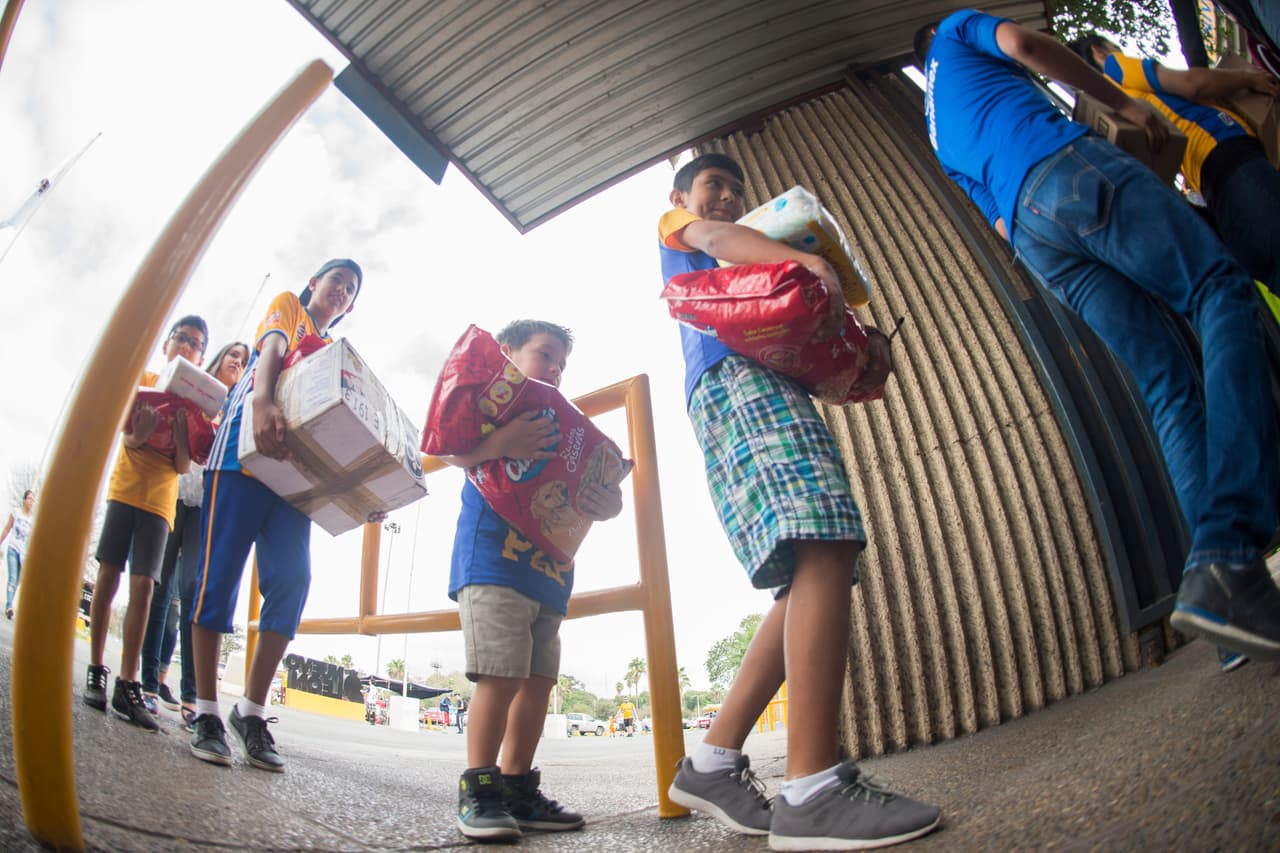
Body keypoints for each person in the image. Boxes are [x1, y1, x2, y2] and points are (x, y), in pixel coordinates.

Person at [916, 12, 1280, 661]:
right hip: (1064, 166)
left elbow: (999, 225)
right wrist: (1124, 107)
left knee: (1165, 381)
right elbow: (1026, 45)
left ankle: (1229, 612)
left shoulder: (940, 134)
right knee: (1218, 288)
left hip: (1036, 242)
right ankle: (1229, 545)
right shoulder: (953, 28)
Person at [657, 153, 938, 850]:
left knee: (812, 568)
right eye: (712, 185)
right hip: (734, 382)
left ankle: (712, 762)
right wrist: (802, 262)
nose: (724, 197)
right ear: (681, 196)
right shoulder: (679, 228)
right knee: (825, 543)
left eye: (736, 190)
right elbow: (721, 241)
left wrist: (856, 354)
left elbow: (801, 349)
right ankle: (812, 788)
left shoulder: (752, 281)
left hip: (759, 383)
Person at [440, 319, 623, 841]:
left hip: (548, 572)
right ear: (507, 354)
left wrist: (607, 503)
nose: (556, 369)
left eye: (563, 363)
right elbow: (448, 448)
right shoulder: (489, 405)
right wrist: (501, 441)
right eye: (545, 355)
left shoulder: (562, 422)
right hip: (493, 560)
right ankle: (479, 786)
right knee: (500, 674)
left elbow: (590, 485)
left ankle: (518, 785)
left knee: (539, 682)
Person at [188, 259, 366, 772]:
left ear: (350, 306)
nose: (341, 292)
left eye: (350, 291)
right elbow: (271, 350)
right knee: (218, 578)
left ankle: (252, 709)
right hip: (242, 457)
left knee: (291, 580)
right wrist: (263, 400)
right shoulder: (289, 305)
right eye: (336, 281)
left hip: (293, 478)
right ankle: (205, 709)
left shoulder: (334, 352)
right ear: (316, 283)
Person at [1067, 34, 1280, 297]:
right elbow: (1193, 85)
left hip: (1211, 194)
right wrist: (1249, 78)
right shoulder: (1115, 69)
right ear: (1099, 52)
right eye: (1114, 46)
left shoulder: (1103, 123)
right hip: (1225, 152)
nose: (1118, 50)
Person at [83, 315, 207, 732]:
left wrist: (182, 436)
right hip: (125, 487)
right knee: (107, 574)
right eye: (182, 339)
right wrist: (139, 435)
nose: (187, 348)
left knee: (144, 585)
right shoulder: (146, 379)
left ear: (201, 357)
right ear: (167, 345)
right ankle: (97, 668)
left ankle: (127, 680)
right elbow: (122, 431)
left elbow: (185, 463)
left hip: (160, 499)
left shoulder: (193, 406)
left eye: (196, 344)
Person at [140, 341, 250, 724]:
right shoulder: (197, 393)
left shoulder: (241, 404)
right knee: (160, 584)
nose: (237, 362)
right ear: (218, 359)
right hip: (177, 490)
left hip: (207, 503)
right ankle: (149, 683)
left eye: (244, 360)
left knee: (193, 591)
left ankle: (192, 694)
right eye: (233, 355)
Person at [0, 489, 35, 619]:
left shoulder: (32, 520)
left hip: (23, 554)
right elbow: (7, 528)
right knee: (13, 578)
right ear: (24, 500)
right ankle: (9, 606)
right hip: (12, 549)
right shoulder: (16, 513)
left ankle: (9, 604)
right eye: (29, 498)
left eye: (33, 499)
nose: (31, 501)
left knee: (17, 581)